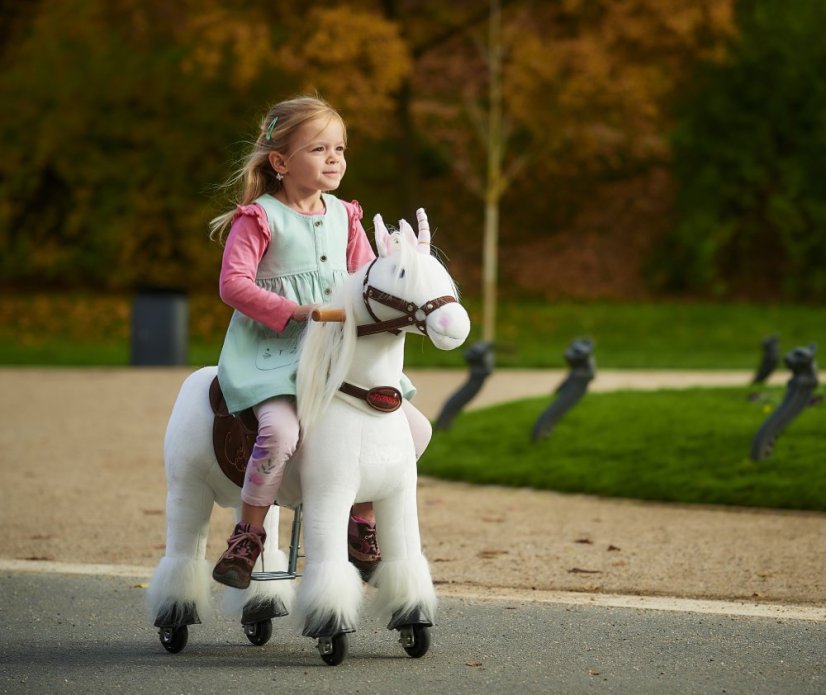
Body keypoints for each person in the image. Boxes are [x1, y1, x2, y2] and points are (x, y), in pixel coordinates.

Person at [209, 95, 431, 589]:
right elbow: (233, 284)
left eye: (340, 148)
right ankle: (248, 535)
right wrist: (294, 311)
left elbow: (367, 278)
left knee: (410, 430)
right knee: (280, 433)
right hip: (273, 353)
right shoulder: (259, 218)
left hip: (334, 353)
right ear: (281, 162)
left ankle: (361, 521)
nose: (335, 159)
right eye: (319, 149)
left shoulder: (346, 216)